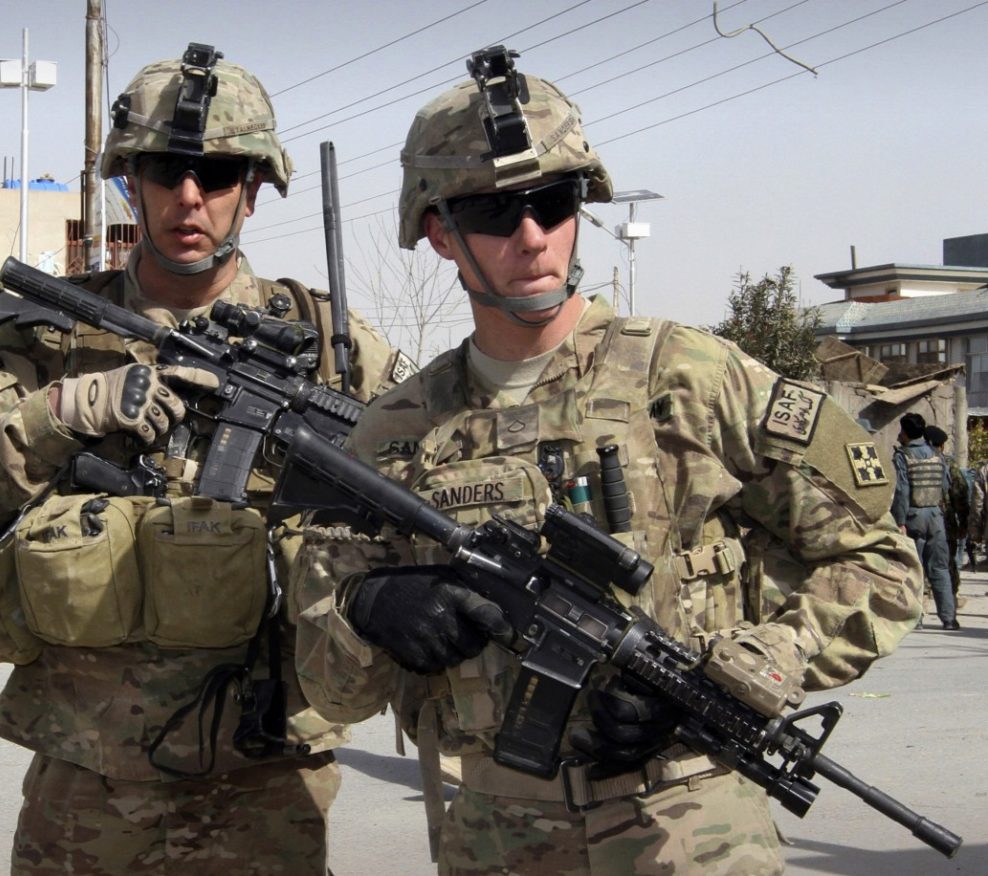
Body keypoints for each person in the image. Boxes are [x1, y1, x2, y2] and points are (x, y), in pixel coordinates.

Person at [294, 48, 923, 875]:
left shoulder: (695, 378)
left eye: (554, 204)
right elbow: (333, 691)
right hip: (496, 833)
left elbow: (882, 566)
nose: (531, 236)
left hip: (692, 827)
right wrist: (369, 609)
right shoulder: (395, 431)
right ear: (440, 233)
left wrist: (744, 673)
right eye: (494, 213)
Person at [0, 44, 406, 874]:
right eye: (164, 171)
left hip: (267, 776)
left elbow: (429, 511)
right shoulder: (47, 336)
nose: (188, 197)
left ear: (253, 189)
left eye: (215, 175)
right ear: (126, 182)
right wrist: (63, 412)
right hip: (87, 777)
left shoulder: (331, 354)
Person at [894, 414, 959, 630]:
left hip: (913, 517)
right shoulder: (937, 455)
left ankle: (917, 617)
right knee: (940, 568)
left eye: (901, 431)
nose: (899, 435)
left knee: (915, 570)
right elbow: (945, 486)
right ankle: (949, 619)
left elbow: (902, 491)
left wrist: (900, 521)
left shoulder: (903, 456)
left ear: (905, 432)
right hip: (936, 517)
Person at [924, 424, 971, 606]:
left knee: (922, 557)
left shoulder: (910, 459)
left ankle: (923, 596)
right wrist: (964, 523)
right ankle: (950, 597)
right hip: (945, 522)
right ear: (941, 446)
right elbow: (960, 494)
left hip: (919, 519)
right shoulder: (948, 464)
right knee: (947, 560)